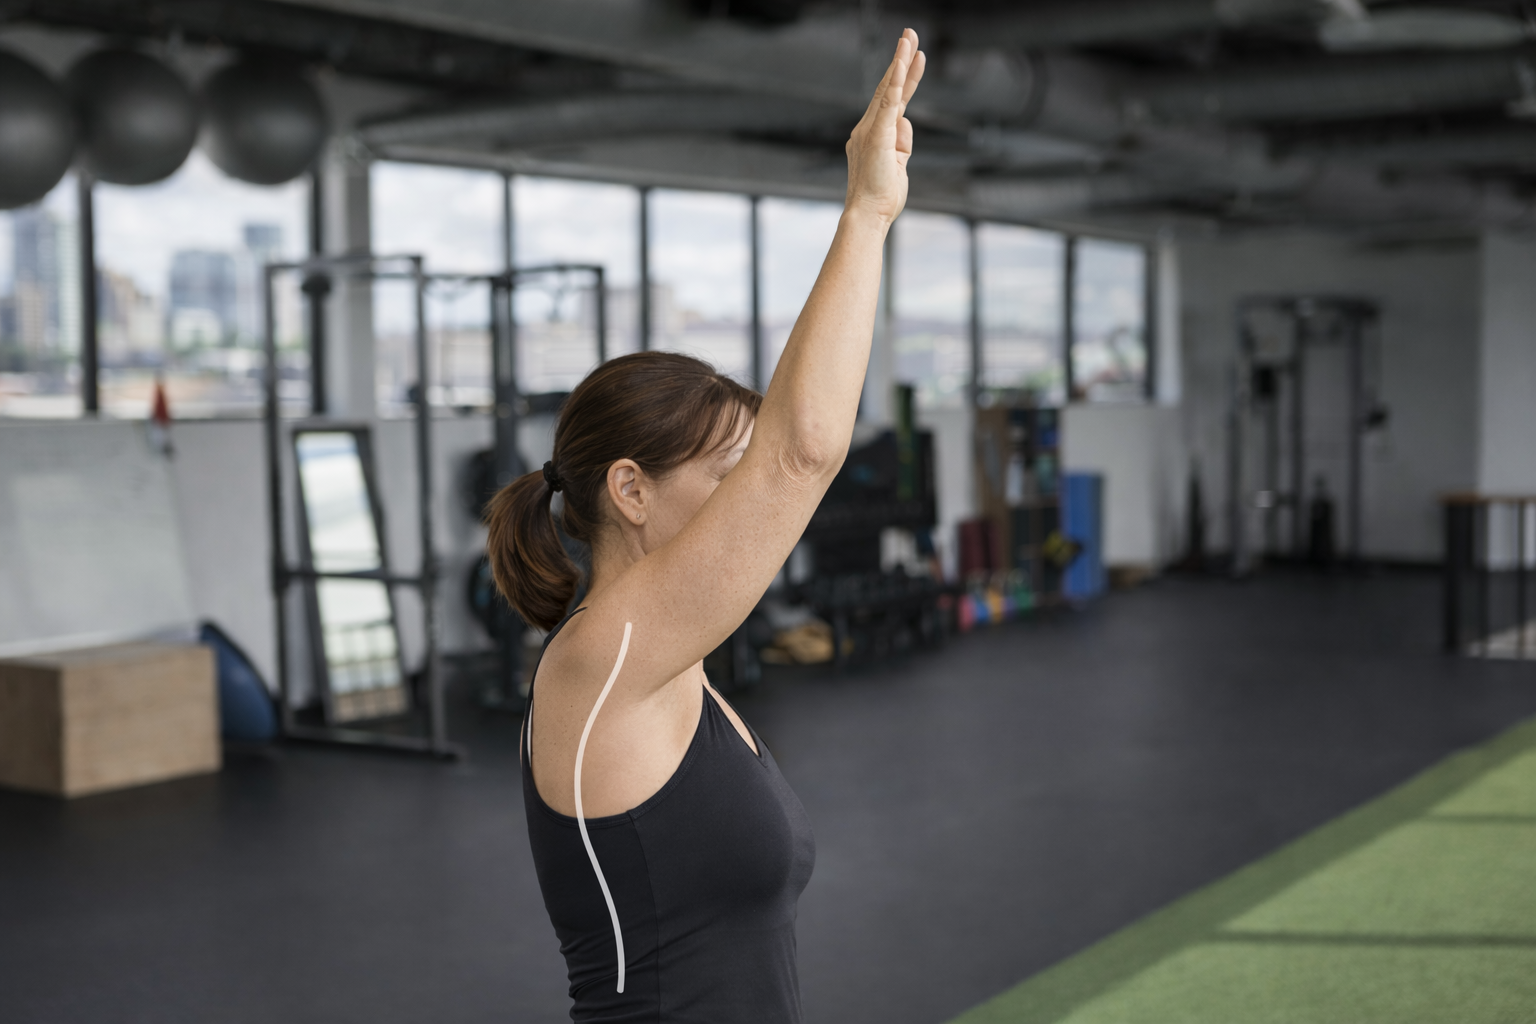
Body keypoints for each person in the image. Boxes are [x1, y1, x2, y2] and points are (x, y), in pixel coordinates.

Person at [486, 29, 926, 1023]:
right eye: (726, 475)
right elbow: (801, 454)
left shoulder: (679, 665)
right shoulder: (602, 657)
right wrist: (867, 213)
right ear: (632, 490)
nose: (748, 498)